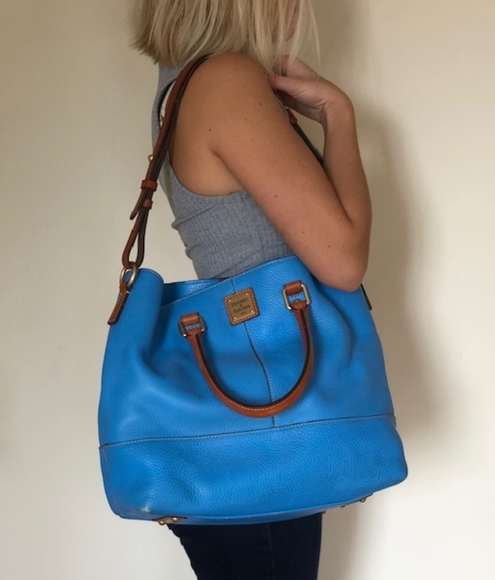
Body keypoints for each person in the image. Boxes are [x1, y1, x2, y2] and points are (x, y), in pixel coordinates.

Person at [130, 1, 372, 578]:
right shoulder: (225, 79)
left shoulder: (184, 80)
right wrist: (338, 115)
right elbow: (343, 261)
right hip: (265, 415)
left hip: (247, 408)